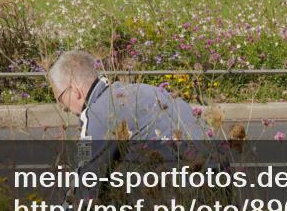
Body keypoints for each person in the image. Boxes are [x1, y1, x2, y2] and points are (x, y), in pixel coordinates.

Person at [48, 50, 211, 202]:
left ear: (75, 91)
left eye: (61, 100)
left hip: (185, 197)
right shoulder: (145, 90)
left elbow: (85, 181)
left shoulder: (98, 114)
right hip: (218, 180)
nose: (65, 109)